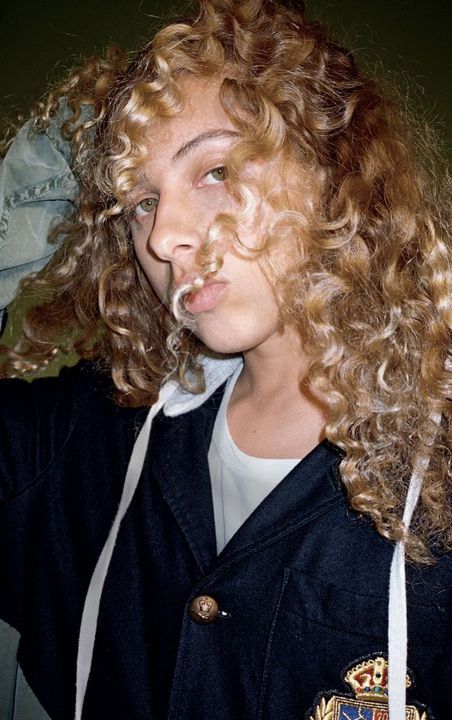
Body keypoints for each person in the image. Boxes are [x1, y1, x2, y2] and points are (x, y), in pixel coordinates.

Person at [0, 1, 450, 719]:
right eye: (140, 201)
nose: (165, 238)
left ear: (332, 170)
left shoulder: (441, 465)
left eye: (214, 169)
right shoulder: (96, 429)